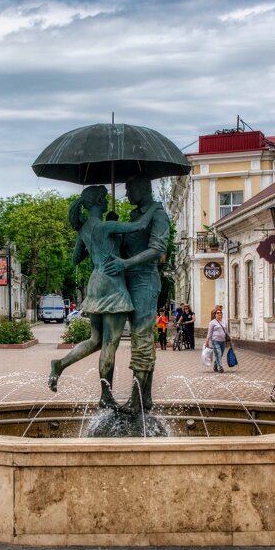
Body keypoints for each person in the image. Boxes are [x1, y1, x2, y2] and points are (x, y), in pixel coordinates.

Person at [49, 185, 153, 409]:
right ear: (97, 202)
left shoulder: (85, 228)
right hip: (112, 283)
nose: (108, 203)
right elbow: (141, 225)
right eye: (105, 199)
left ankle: (60, 364)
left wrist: (101, 243)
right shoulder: (106, 226)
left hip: (95, 283)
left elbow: (76, 259)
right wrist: (154, 208)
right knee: (109, 345)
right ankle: (105, 396)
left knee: (95, 340)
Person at [101, 176, 171, 414]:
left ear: (143, 187)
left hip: (144, 281)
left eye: (130, 188)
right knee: (138, 338)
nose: (127, 193)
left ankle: (138, 398)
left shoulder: (158, 215)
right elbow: (123, 249)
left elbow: (157, 249)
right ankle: (144, 399)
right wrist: (113, 229)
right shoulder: (135, 217)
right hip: (127, 280)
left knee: (141, 337)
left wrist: (125, 263)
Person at [205, 305, 231, 372]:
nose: (219, 314)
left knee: (220, 354)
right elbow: (209, 333)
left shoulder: (224, 322)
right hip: (215, 341)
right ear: (215, 314)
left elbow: (226, 331)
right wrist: (207, 341)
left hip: (223, 341)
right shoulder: (212, 322)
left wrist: (229, 340)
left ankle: (216, 365)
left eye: (220, 313)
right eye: (218, 313)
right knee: (218, 354)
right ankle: (220, 368)